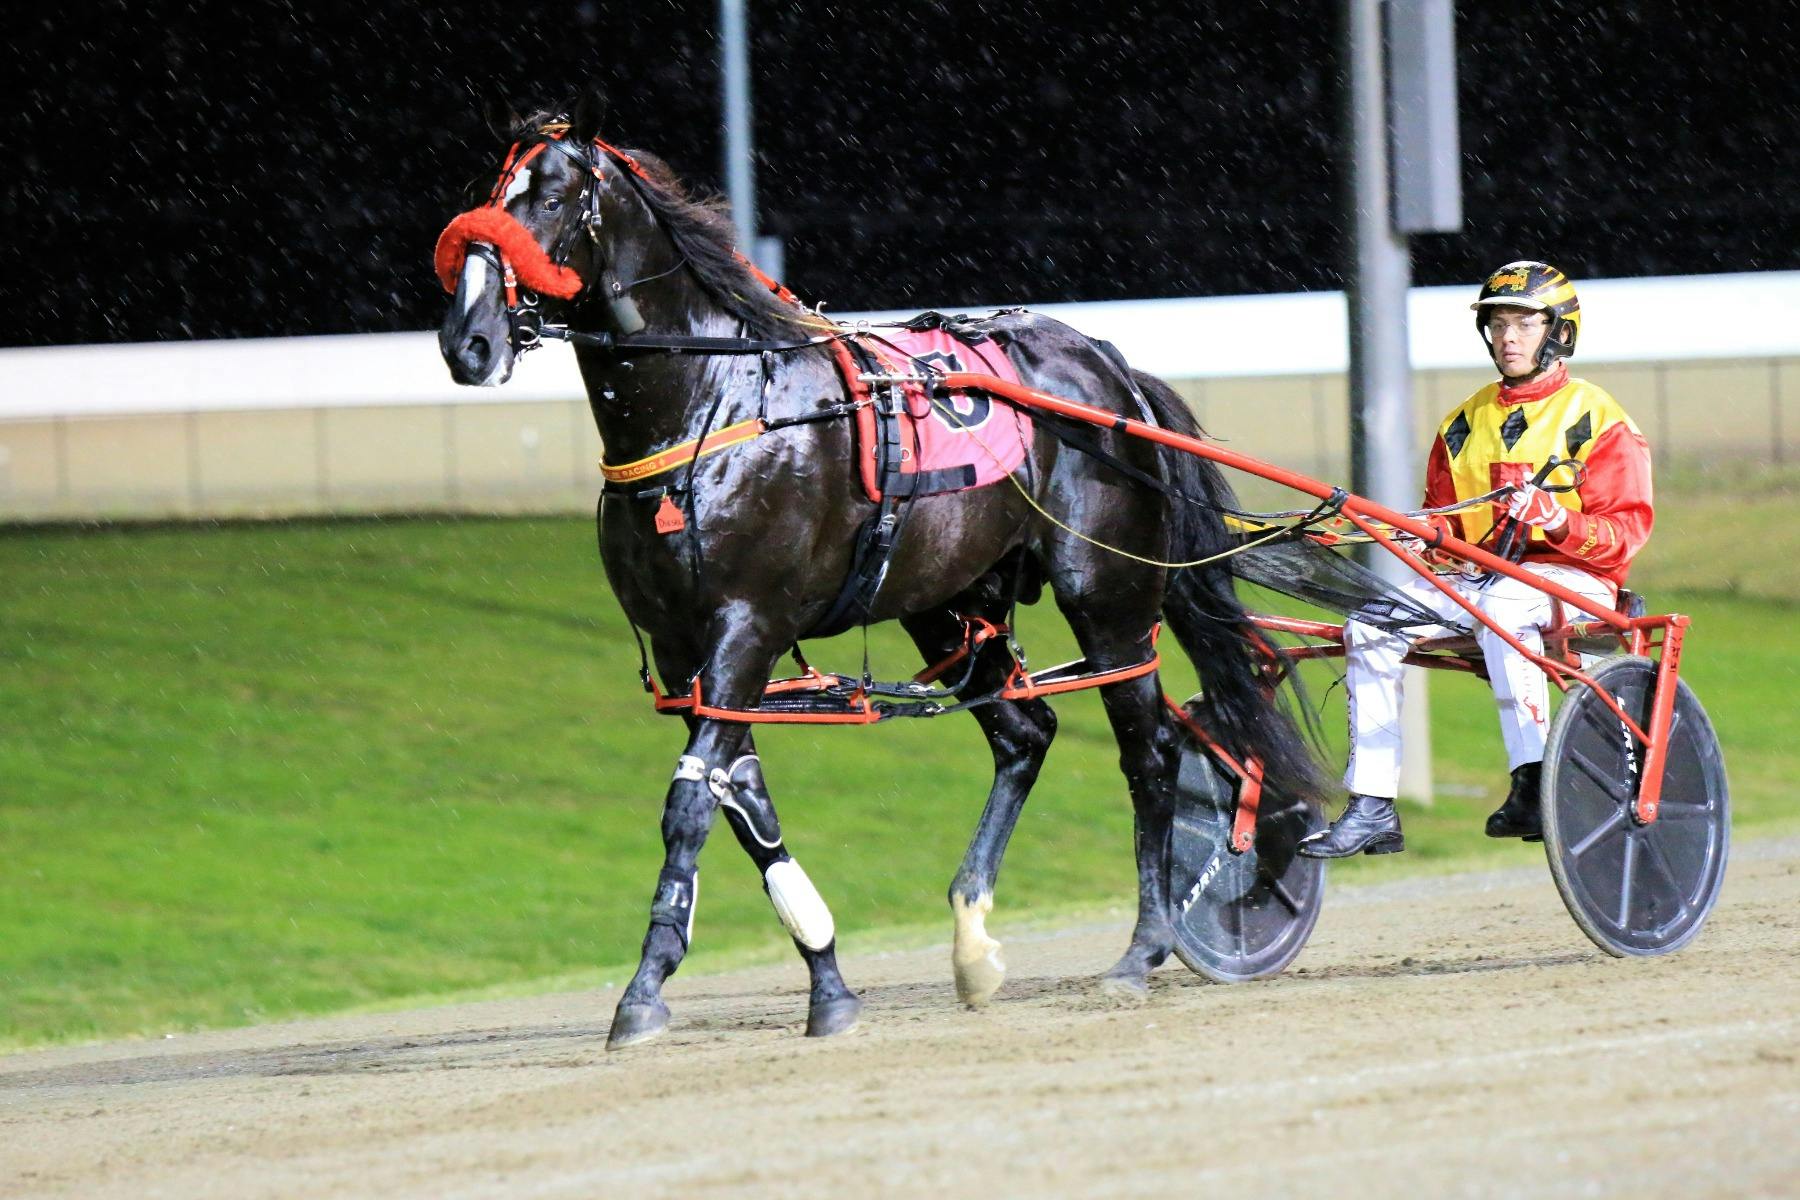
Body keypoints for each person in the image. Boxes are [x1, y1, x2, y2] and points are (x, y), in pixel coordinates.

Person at [1298, 261, 1654, 858]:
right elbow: (1448, 519)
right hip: (1485, 583)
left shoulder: (1599, 419)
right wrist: (1421, 534)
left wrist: (1559, 521)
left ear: (1559, 331)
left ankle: (1534, 779)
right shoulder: (1463, 422)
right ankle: (1372, 803)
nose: (1507, 338)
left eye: (1522, 324)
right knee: (1371, 626)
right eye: (1496, 325)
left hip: (1577, 587)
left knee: (1504, 601)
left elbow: (1625, 533)